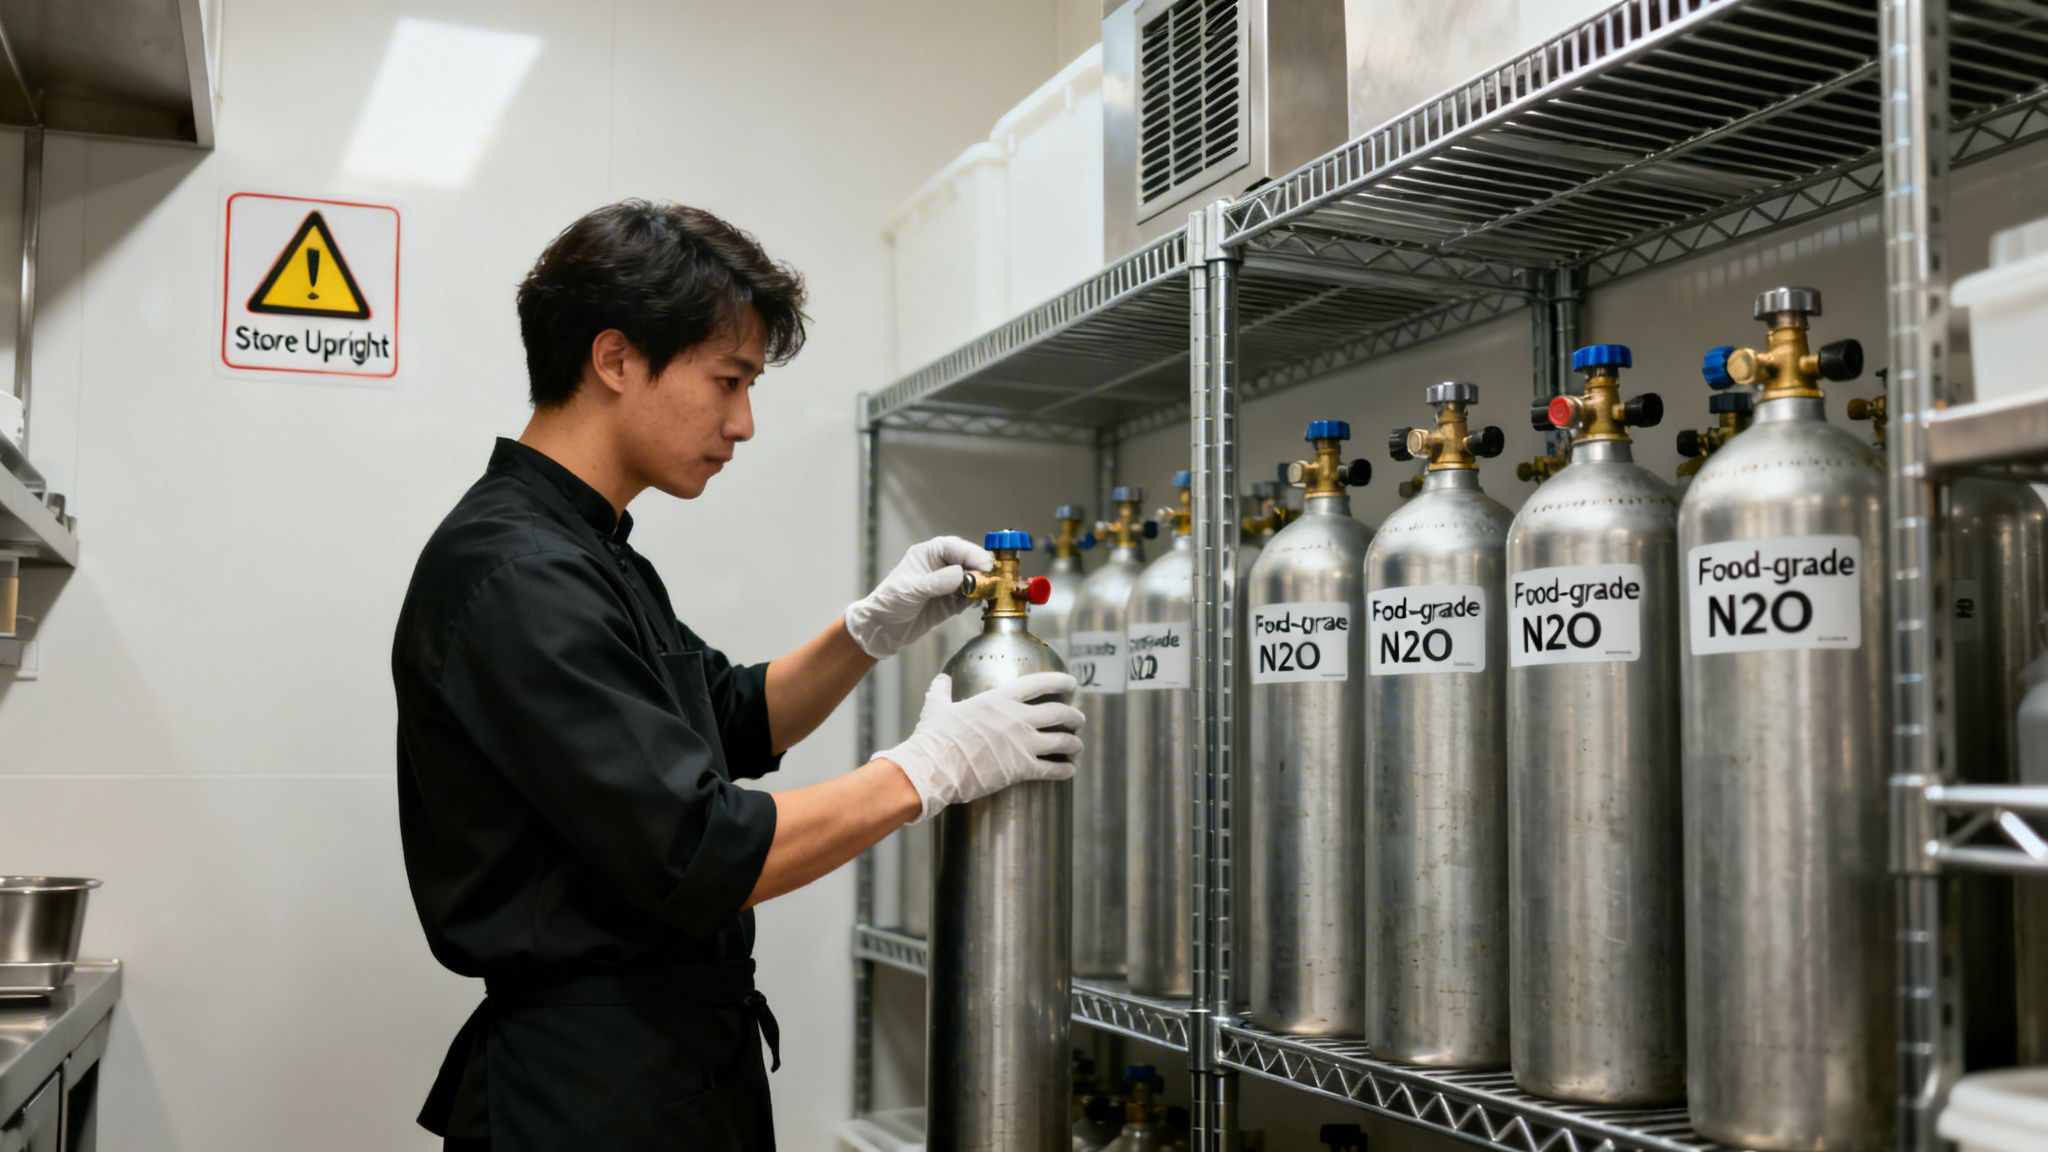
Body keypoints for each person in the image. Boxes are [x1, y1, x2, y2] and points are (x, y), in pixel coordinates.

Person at [391, 200, 1084, 1151]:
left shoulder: (592, 551)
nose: (745, 423)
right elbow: (702, 853)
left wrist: (867, 631)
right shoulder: (517, 572)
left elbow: (729, 717)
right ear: (616, 359)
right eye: (728, 380)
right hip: (589, 1099)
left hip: (665, 1070)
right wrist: (928, 771)